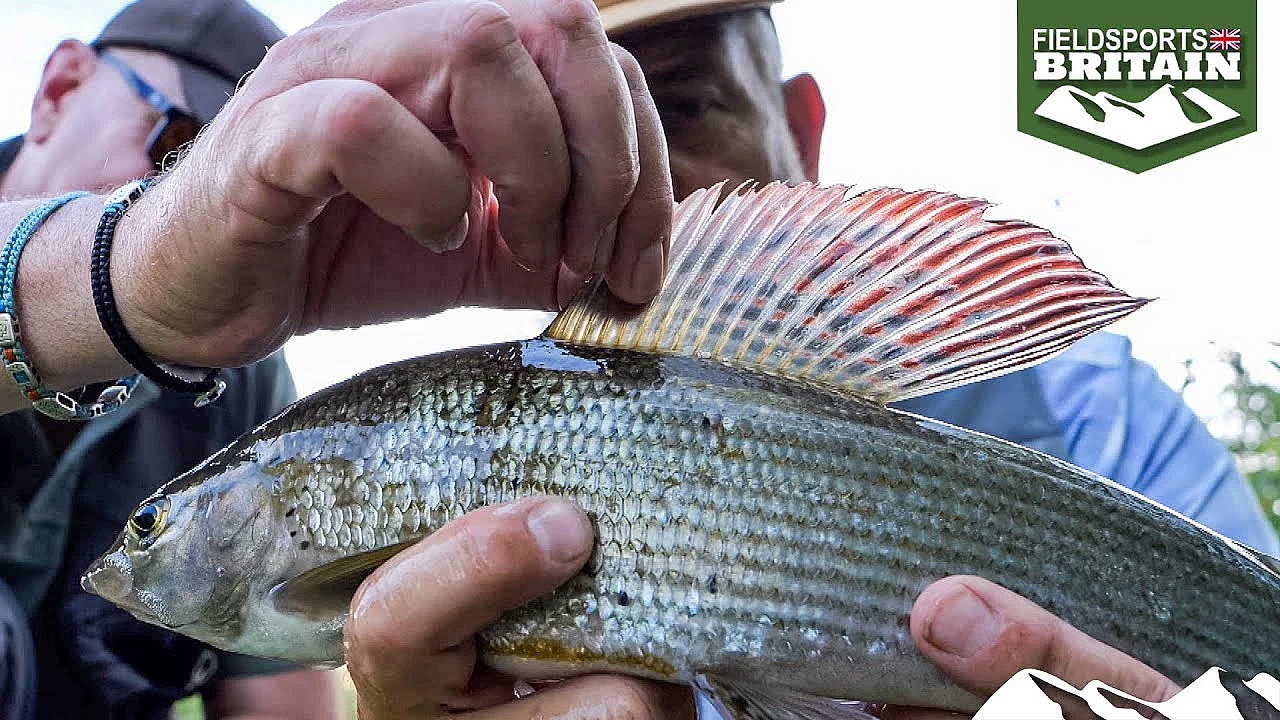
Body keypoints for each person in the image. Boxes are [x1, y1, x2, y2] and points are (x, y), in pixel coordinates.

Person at [0, 1, 1270, 719]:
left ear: (800, 122)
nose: (628, 174)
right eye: (558, 128)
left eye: (676, 108)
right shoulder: (290, 385)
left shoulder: (1097, 411)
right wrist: (109, 274)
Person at [0, 1, 344, 718]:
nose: (208, 211)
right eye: (180, 149)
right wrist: (114, 277)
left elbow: (278, 701)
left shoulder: (247, 379)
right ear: (59, 88)